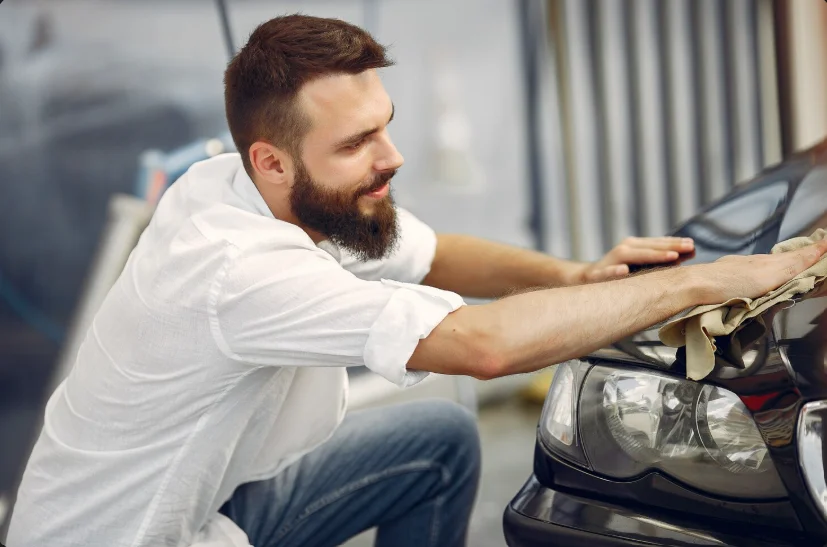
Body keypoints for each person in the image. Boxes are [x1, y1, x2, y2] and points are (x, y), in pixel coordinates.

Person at [7, 14, 827, 547]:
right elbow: (477, 346)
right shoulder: (235, 269)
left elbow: (430, 254)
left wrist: (576, 272)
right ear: (272, 159)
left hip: (205, 515)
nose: (392, 157)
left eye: (386, 127)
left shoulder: (240, 186)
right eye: (358, 141)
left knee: (433, 442)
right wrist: (703, 283)